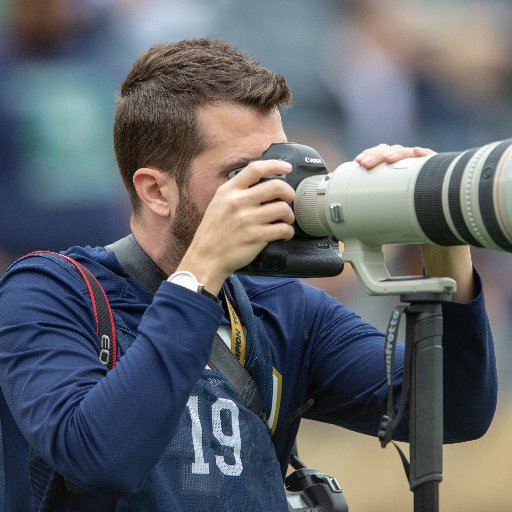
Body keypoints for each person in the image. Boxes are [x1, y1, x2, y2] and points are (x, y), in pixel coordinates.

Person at [0, 38, 497, 512]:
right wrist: (200, 275)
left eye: (279, 166)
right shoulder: (49, 293)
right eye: (243, 174)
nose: (276, 191)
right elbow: (101, 457)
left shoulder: (281, 309)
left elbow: (454, 409)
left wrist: (441, 236)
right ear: (155, 191)